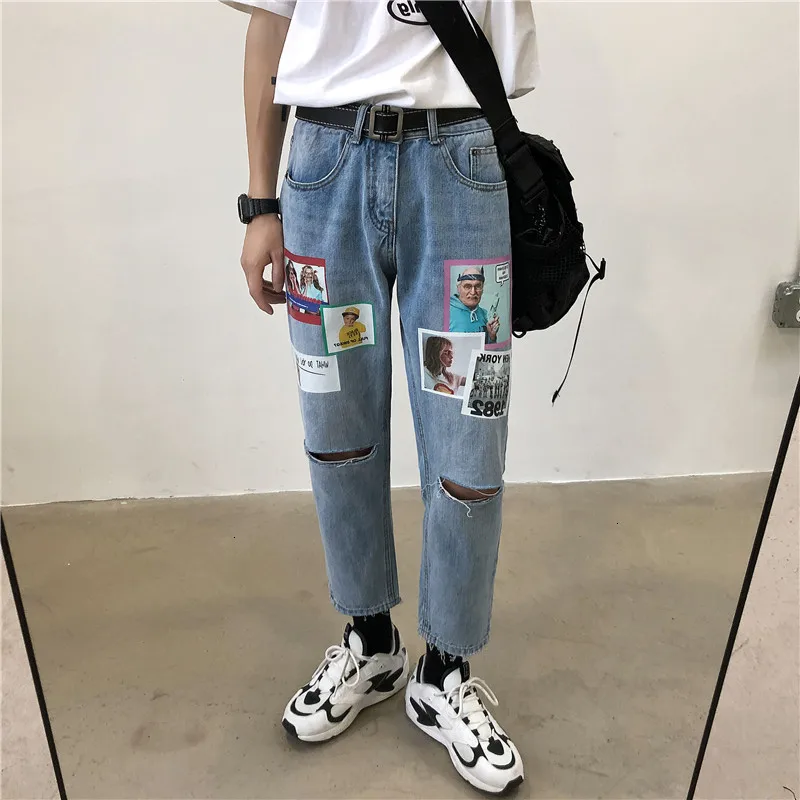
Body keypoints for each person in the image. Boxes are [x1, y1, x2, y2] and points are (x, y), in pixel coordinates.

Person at [224, 0, 538, 792]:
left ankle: (446, 671)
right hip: (323, 164)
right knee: (339, 426)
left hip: (461, 161)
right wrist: (260, 204)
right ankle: (370, 641)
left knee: (469, 437)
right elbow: (270, 22)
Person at [449, 265, 501, 344]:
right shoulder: (446, 312)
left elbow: (487, 350)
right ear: (458, 288)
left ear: (482, 289)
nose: (473, 292)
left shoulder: (485, 315)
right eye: (467, 286)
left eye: (478, 286)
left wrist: (491, 337)